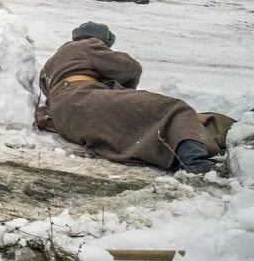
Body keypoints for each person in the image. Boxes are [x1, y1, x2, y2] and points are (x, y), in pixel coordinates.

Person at [35, 23, 219, 174]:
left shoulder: (52, 61)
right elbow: (130, 68)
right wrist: (124, 90)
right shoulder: (89, 45)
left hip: (63, 116)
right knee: (173, 108)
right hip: (83, 98)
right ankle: (196, 162)